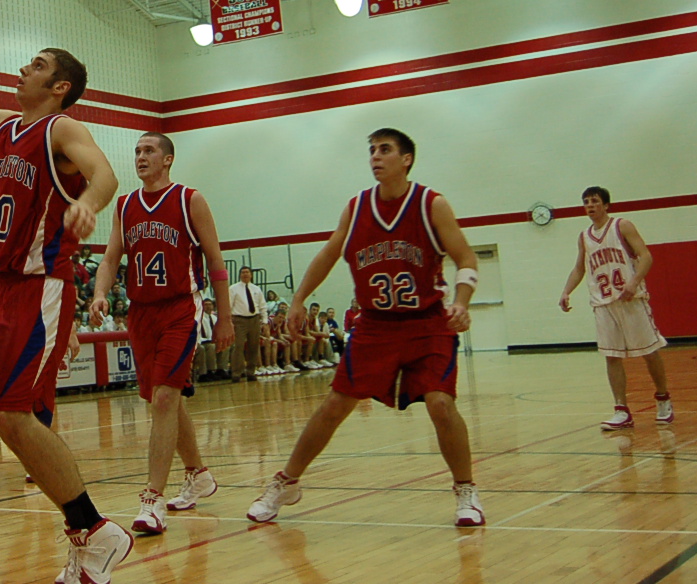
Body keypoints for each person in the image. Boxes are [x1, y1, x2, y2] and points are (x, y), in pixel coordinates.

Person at [0, 32, 132, 584]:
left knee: (14, 415)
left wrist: (88, 204)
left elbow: (105, 175)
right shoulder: (4, 127)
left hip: (39, 284)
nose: (24, 68)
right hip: (3, 287)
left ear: (59, 86)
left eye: (38, 65)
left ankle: (96, 531)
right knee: (15, 421)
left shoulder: (60, 128)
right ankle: (86, 538)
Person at [247, 129, 485, 528]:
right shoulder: (357, 208)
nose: (375, 156)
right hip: (376, 324)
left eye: (385, 150)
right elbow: (329, 253)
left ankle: (465, 489)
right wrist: (299, 298)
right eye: (372, 150)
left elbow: (466, 258)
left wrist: (461, 301)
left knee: (441, 404)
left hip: (427, 322)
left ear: (406, 159)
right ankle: (286, 482)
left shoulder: (431, 204)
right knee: (334, 405)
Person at [91, 132, 234, 535]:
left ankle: (152, 498)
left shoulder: (190, 200)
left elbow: (216, 261)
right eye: (137, 151)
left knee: (165, 398)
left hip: (179, 308)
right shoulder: (125, 205)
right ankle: (198, 474)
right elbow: (110, 258)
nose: (141, 156)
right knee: (164, 399)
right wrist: (100, 293)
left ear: (167, 159)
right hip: (141, 313)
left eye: (149, 150)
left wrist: (224, 317)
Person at [558, 186, 673, 430]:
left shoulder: (622, 226)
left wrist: (633, 282)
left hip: (631, 300)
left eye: (594, 201)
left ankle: (663, 399)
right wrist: (566, 291)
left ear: (606, 205)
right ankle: (621, 410)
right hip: (603, 303)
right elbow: (579, 268)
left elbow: (646, 256)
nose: (590, 205)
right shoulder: (584, 236)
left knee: (650, 351)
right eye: (586, 202)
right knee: (611, 356)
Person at [228, 266, 265, 381]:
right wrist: (229, 321)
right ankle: (236, 373)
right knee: (238, 347)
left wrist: (264, 321)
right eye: (243, 272)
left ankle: (251, 372)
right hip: (239, 320)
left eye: (247, 272)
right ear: (240, 275)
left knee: (253, 346)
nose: (245, 274)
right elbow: (229, 305)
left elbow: (262, 305)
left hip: (254, 319)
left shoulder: (256, 289)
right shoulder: (233, 288)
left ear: (251, 275)